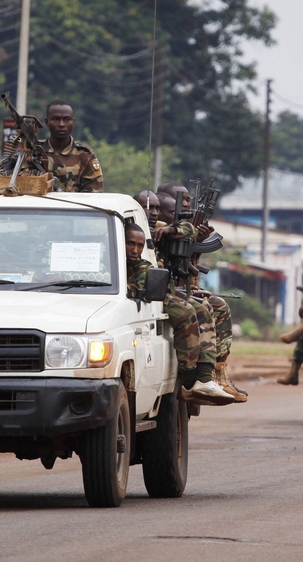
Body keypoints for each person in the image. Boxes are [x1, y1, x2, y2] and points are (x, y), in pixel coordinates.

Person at [124, 223, 233, 404]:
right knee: (185, 311)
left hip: (161, 298)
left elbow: (190, 228)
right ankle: (190, 381)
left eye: (139, 246)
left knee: (203, 307)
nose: (134, 250)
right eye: (130, 244)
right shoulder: (112, 255)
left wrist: (171, 230)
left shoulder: (160, 234)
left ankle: (208, 376)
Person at [40, 99, 103, 193]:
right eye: (56, 119)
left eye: (67, 119)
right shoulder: (34, 151)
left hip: (73, 207)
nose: (61, 124)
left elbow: (94, 194)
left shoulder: (85, 155)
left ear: (73, 122)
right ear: (47, 122)